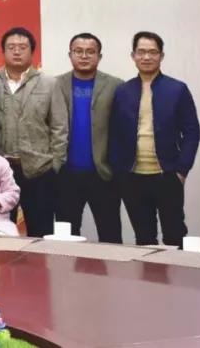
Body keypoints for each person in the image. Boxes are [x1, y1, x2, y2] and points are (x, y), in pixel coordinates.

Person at [110, 31, 200, 247]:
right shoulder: (123, 91)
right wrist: (118, 170)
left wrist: (182, 169)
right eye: (141, 52)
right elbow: (114, 132)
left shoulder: (177, 89)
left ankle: (176, 270)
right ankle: (148, 271)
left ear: (161, 56)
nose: (147, 57)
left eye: (152, 52)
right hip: (132, 177)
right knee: (144, 237)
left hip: (167, 175)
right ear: (133, 56)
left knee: (175, 235)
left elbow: (192, 131)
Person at [0, 27, 67, 237]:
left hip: (38, 170)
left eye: (22, 47)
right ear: (3, 51)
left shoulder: (50, 83)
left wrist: (54, 164)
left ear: (32, 51)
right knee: (0, 233)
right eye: (11, 47)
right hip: (0, 170)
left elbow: (60, 127)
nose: (17, 51)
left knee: (40, 232)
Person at [53, 33, 123, 243]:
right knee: (66, 238)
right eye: (78, 51)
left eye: (90, 52)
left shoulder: (116, 86)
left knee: (110, 235)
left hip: (103, 174)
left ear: (99, 56)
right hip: (66, 174)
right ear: (70, 55)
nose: (84, 56)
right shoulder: (55, 84)